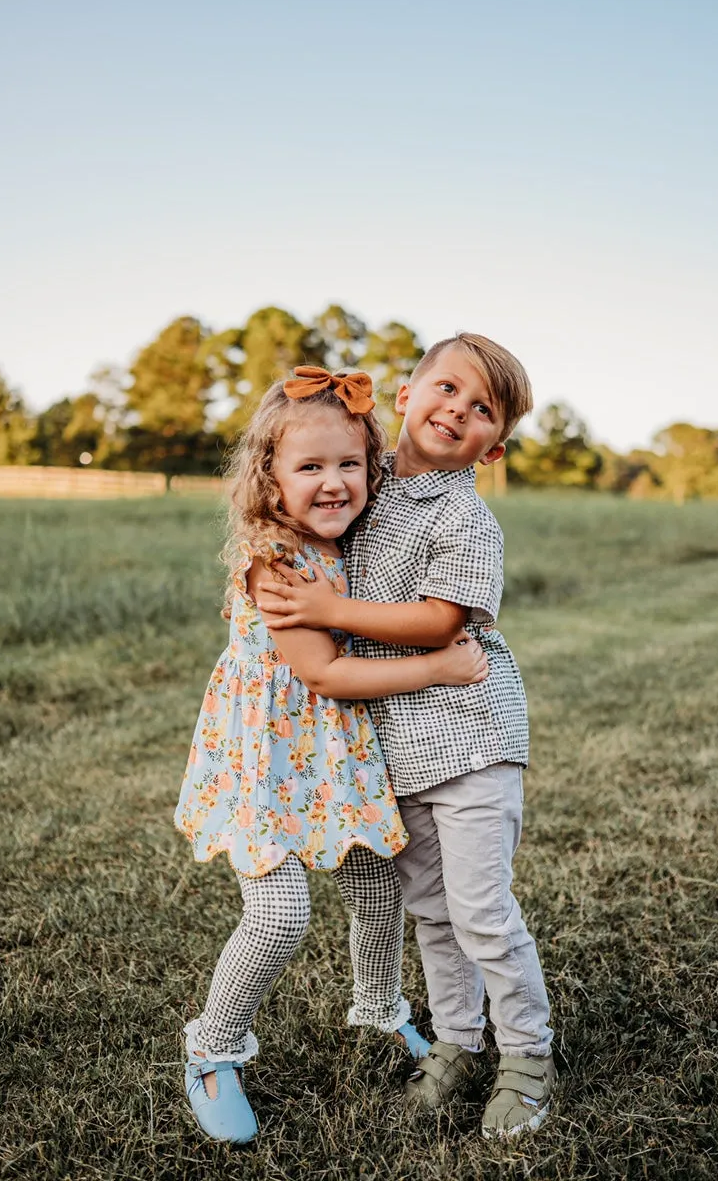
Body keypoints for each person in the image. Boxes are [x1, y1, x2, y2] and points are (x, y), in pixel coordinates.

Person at [174, 366, 489, 1145]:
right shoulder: (275, 558)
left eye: (349, 464)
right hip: (267, 758)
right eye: (308, 467)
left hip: (330, 753)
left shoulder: (348, 543)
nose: (332, 482)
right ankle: (211, 1049)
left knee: (377, 883)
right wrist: (439, 665)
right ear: (268, 477)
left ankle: (380, 1009)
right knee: (278, 915)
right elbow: (323, 671)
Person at [257, 334, 556, 1139]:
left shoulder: (466, 518)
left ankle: (527, 1059)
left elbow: (440, 622)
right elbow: (297, 490)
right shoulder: (364, 483)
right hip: (395, 744)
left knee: (482, 911)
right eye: (448, 388)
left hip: (469, 738)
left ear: (494, 447)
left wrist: (329, 613)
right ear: (406, 394)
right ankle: (458, 1043)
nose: (458, 410)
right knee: (430, 910)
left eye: (482, 409)